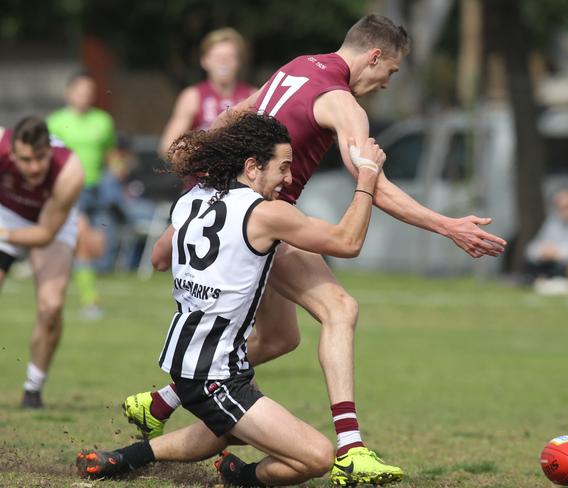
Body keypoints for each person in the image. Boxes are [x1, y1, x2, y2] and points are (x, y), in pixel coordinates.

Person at [123, 14, 507, 486]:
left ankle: (160, 402)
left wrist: (205, 176)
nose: (387, 83)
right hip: (263, 220)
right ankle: (351, 447)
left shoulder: (298, 65)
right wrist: (448, 226)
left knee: (283, 338)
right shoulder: (343, 104)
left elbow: (233, 115)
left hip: (217, 202)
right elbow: (375, 185)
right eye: (392, 71)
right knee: (340, 308)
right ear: (374, 56)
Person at [76, 112, 389, 487]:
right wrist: (367, 175)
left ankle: (124, 457)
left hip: (196, 359)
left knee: (230, 425)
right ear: (253, 167)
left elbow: (159, 259)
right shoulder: (267, 214)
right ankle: (242, 478)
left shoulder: (194, 197)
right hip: (214, 376)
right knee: (317, 457)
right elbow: (347, 242)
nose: (289, 179)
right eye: (283, 168)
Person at [0, 116, 84, 408]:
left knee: (51, 307)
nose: (33, 167)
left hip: (49, 223)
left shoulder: (69, 171)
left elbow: (44, 234)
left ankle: (33, 388)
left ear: (49, 149)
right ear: (11, 152)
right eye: (25, 159)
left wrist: (5, 235)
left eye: (39, 158)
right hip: (5, 211)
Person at [47, 72, 119, 317]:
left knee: (96, 245)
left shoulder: (103, 121)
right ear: (69, 93)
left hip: (96, 190)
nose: (84, 96)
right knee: (83, 242)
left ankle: (73, 290)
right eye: (80, 91)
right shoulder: (55, 122)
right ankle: (91, 301)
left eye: (89, 91)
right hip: (68, 190)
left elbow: (111, 154)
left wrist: (118, 170)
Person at [158, 27, 256, 157]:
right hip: (203, 175)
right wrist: (204, 150)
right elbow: (167, 147)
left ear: (238, 62)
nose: (223, 62)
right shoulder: (192, 96)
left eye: (229, 57)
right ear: (205, 61)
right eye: (217, 57)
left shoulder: (253, 95)